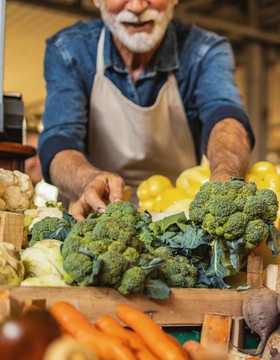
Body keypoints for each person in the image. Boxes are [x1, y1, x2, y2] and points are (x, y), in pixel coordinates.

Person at [38, 0, 254, 220]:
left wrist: (225, 173)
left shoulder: (204, 51)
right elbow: (60, 139)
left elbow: (225, 116)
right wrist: (86, 180)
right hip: (97, 218)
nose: (137, 7)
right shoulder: (70, 50)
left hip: (178, 218)